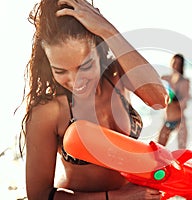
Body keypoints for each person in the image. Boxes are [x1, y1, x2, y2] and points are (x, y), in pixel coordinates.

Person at [20, 0, 169, 199]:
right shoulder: (49, 111)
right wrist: (116, 197)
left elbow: (159, 99)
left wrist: (108, 31)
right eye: (60, 71)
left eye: (85, 66)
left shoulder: (116, 77)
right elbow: (38, 195)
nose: (75, 81)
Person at [157, 54, 190, 149]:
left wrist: (176, 99)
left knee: (182, 149)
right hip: (167, 119)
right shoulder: (165, 78)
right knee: (158, 147)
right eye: (174, 62)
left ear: (182, 66)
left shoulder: (184, 81)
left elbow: (185, 101)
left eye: (178, 63)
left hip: (180, 120)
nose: (176, 65)